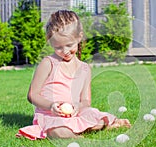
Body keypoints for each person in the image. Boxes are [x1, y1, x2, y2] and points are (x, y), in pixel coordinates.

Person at [16, 10, 131, 140]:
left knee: (94, 116)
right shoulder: (48, 63)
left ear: (79, 37)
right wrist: (51, 106)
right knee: (57, 129)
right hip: (51, 115)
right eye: (58, 47)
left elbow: (86, 101)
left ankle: (104, 124)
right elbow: (32, 95)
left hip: (75, 114)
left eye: (69, 45)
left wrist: (78, 107)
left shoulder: (84, 69)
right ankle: (76, 138)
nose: (65, 51)